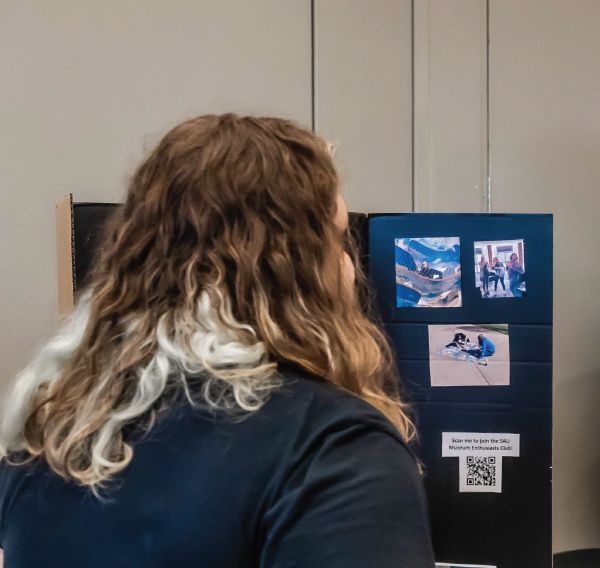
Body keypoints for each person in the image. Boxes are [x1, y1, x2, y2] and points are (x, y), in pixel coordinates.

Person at [0, 115, 434, 567]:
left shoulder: (48, 438)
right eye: (338, 240)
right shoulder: (332, 450)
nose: (350, 266)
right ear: (292, 269)